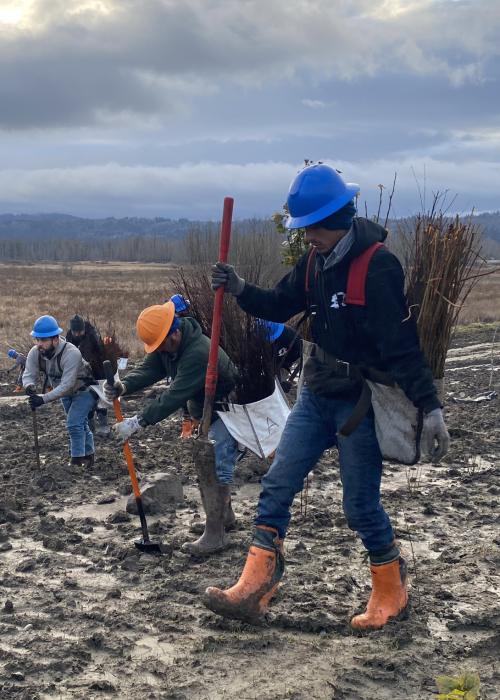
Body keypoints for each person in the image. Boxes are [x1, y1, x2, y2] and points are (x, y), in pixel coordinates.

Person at [205, 162, 450, 629]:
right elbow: (280, 302)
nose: (304, 238)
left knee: (358, 506)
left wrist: (431, 407)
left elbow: (402, 347)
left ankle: (391, 588)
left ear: (335, 221)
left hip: (358, 405)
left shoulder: (378, 267)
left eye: (310, 229)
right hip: (316, 395)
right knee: (277, 484)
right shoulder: (316, 262)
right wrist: (239, 288)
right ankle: (256, 586)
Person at [104, 301, 240, 555]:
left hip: (229, 412)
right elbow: (150, 368)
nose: (159, 351)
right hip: (208, 411)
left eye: (160, 345)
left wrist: (137, 423)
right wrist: (125, 385)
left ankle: (215, 533)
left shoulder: (199, 352)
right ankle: (226, 517)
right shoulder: (169, 346)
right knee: (211, 463)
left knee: (214, 466)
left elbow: (173, 396)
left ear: (174, 333)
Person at [23, 315, 97, 467]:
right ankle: (89, 455)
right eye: (37, 339)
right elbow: (29, 373)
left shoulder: (72, 353)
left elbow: (67, 385)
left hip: (84, 391)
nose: (39, 344)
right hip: (65, 394)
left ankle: (76, 461)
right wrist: (29, 386)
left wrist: (43, 398)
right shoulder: (36, 352)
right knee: (81, 424)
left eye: (43, 340)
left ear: (55, 339)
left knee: (73, 424)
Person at [66, 314, 110, 437]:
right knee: (86, 398)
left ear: (84, 329)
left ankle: (103, 424)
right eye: (75, 332)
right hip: (81, 372)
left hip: (97, 371)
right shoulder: (69, 337)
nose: (78, 334)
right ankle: (90, 426)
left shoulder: (92, 336)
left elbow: (100, 352)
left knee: (100, 396)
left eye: (80, 332)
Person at [168, 294, 199, 439]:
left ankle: (191, 425)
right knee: (184, 394)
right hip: (179, 364)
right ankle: (188, 426)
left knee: (186, 394)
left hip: (188, 364)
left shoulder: (192, 324)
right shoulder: (177, 324)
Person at [257, 320, 303, 393]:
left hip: (290, 357)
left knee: (280, 386)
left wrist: (286, 369)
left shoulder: (290, 337)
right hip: (275, 358)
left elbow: (301, 356)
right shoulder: (258, 331)